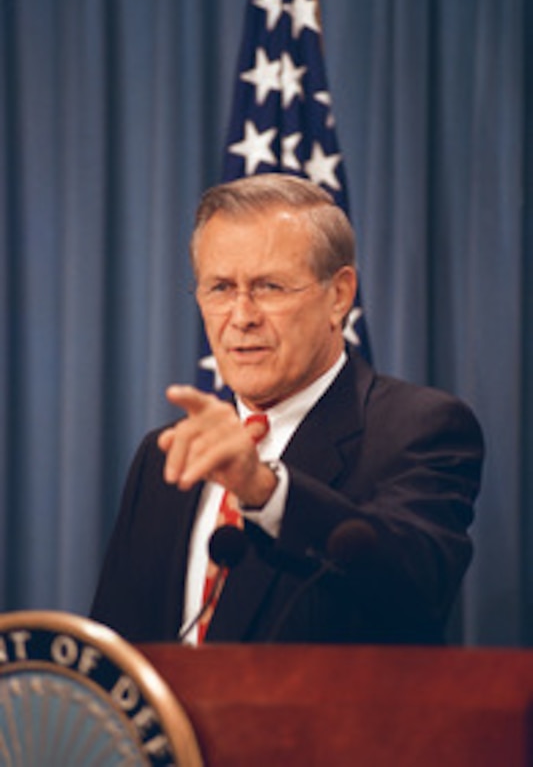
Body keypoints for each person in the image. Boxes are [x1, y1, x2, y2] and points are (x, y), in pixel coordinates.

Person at [90, 173, 484, 645]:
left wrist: (264, 491)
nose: (241, 316)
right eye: (219, 288)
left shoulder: (420, 429)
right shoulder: (166, 456)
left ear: (339, 295)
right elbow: (113, 654)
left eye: (270, 286)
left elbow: (414, 584)